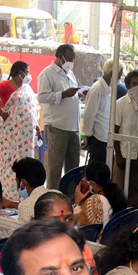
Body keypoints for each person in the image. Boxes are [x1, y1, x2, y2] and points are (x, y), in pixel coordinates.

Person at [38, 43, 83, 189]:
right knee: (55, 166)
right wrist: (63, 94)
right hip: (57, 125)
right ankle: (52, 196)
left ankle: (70, 198)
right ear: (59, 56)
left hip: (73, 126)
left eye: (73, 59)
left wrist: (80, 94)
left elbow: (72, 95)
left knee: (73, 167)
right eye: (69, 58)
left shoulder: (69, 73)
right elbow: (43, 97)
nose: (71, 62)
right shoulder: (47, 73)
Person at [0, 62, 39, 201]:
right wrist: (1, 113)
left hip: (25, 133)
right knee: (10, 162)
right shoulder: (6, 85)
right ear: (19, 72)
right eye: (27, 72)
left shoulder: (26, 88)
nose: (28, 75)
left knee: (25, 162)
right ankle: (9, 195)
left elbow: (32, 109)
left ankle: (23, 193)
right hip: (11, 132)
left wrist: (36, 126)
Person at [113, 69, 138, 206]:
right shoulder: (120, 104)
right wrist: (118, 155)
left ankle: (131, 216)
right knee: (119, 188)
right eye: (134, 84)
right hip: (124, 152)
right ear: (128, 86)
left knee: (135, 187)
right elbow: (115, 131)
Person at [72, 160, 127, 227]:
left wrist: (77, 203)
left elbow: (76, 225)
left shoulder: (95, 201)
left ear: (91, 183)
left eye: (85, 178)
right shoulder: (114, 196)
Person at [81, 61, 115, 165]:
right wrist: (88, 135)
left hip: (105, 136)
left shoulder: (108, 88)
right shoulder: (97, 89)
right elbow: (89, 115)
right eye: (118, 75)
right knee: (96, 169)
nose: (119, 78)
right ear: (111, 73)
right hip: (98, 137)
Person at [14, 157, 53, 223]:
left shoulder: (25, 206)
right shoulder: (58, 194)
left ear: (23, 183)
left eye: (17, 181)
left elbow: (22, 232)